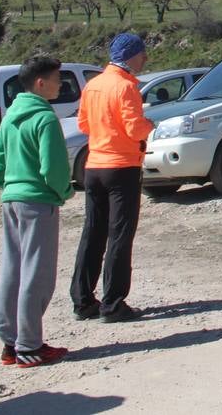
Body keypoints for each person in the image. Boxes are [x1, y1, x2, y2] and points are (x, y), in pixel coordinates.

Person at [0, 55, 74, 368]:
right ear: (41, 83)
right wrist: (63, 192)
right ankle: (30, 345)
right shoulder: (45, 117)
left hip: (11, 199)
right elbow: (53, 167)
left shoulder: (12, 116)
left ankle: (11, 343)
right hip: (38, 201)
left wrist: (9, 185)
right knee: (37, 274)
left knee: (13, 270)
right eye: (57, 78)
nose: (60, 84)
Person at [71, 32, 154, 323]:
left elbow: (83, 124)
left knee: (93, 233)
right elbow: (134, 129)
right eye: (142, 53)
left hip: (94, 166)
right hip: (122, 167)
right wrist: (149, 125)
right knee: (120, 235)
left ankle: (83, 301)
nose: (145, 58)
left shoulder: (93, 85)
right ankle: (113, 303)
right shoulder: (126, 87)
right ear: (130, 56)